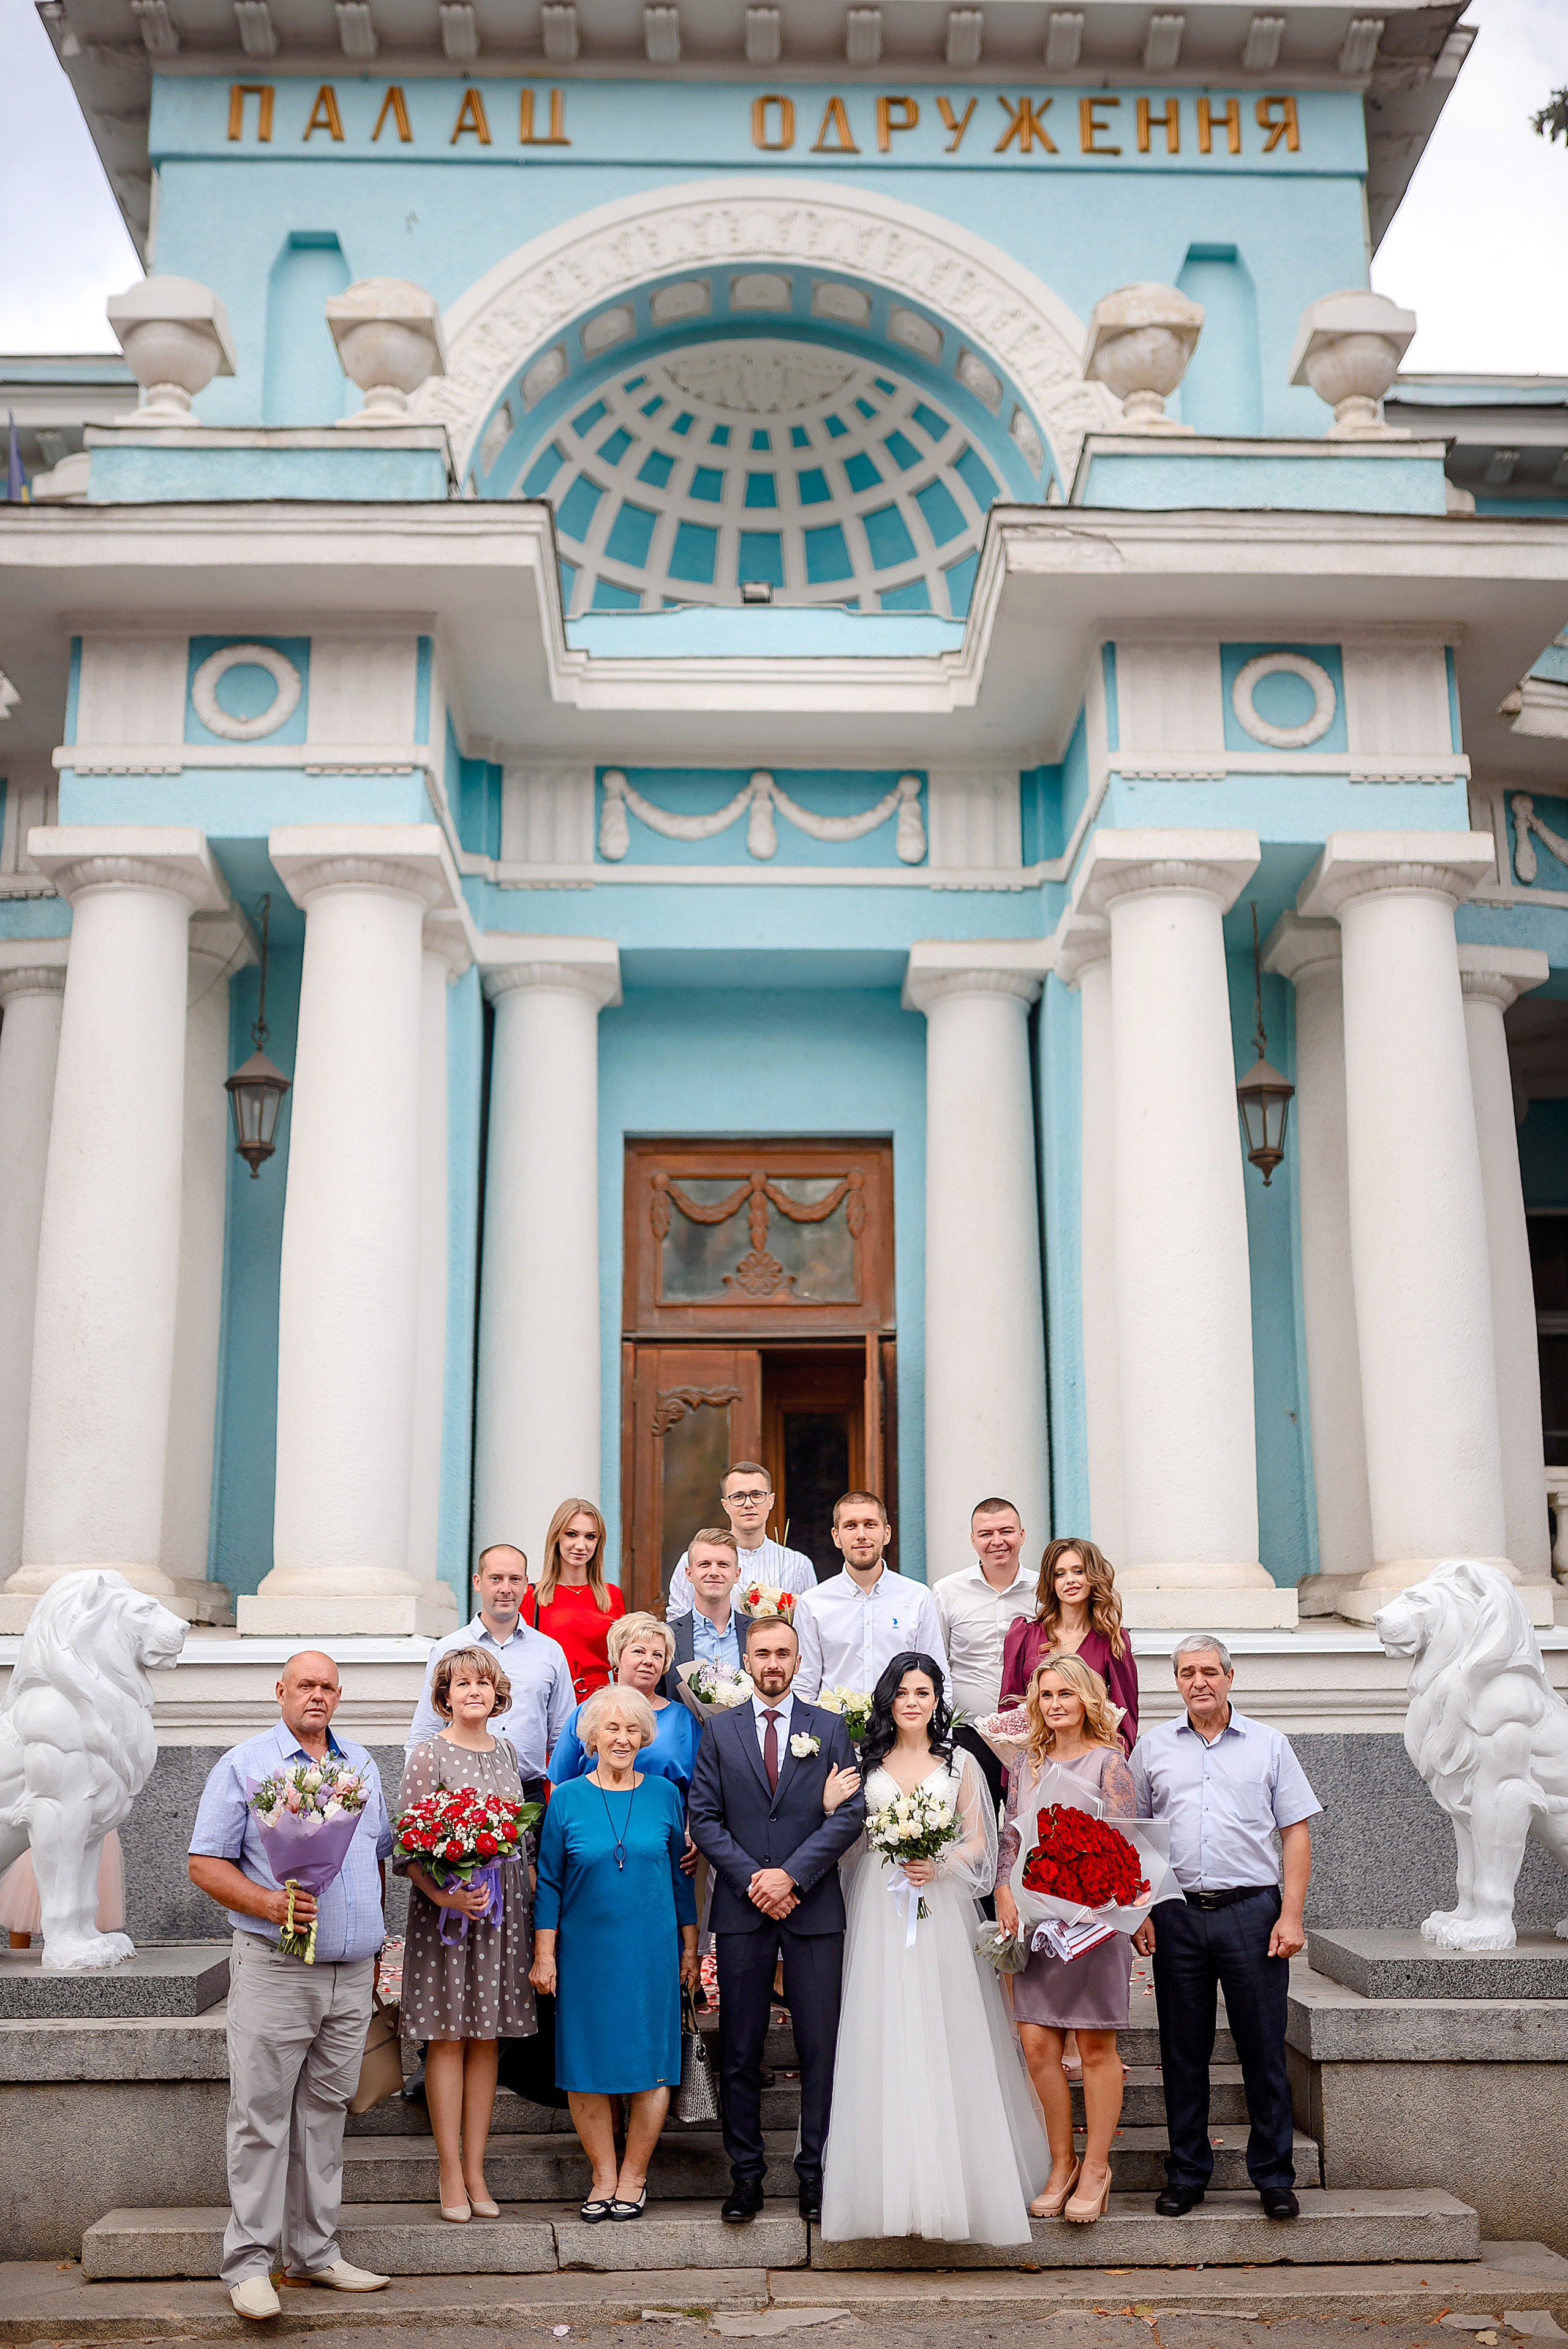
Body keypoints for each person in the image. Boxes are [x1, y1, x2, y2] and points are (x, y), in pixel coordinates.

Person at [187, 1652, 393, 2321]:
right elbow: (204, 1861)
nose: (317, 1695)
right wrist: (269, 1904)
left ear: (340, 1696)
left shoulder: (360, 1764)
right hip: (278, 1968)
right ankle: (250, 2264)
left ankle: (315, 2253)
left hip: (350, 1973)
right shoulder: (246, 1765)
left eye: (328, 1686)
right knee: (261, 2119)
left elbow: (376, 1856)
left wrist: (374, 1942)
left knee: (325, 2116)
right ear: (280, 1692)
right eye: (305, 1685)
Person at [822, 1651, 1050, 2245]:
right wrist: (828, 1809)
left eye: (923, 1692)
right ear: (888, 1701)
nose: (913, 1702)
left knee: (944, 2027)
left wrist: (937, 1859)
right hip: (878, 1903)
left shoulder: (960, 1763)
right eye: (902, 1693)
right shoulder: (863, 1761)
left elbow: (980, 1840)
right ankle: (885, 2189)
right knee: (883, 2027)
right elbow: (845, 1843)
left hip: (938, 1903)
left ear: (936, 1700)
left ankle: (958, 2187)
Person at [1131, 1633, 1321, 2220]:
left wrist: (1291, 1915)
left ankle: (1274, 2177)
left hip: (1253, 1914)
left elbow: (1295, 1833)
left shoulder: (1269, 1745)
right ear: (1177, 1681)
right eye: (1188, 1673)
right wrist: (1140, 1908)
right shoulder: (1153, 1747)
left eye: (1210, 1671)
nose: (1199, 1682)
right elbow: (1136, 1833)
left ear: (1230, 1677)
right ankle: (1187, 2174)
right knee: (1182, 2051)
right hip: (1178, 1914)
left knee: (1263, 2049)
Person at [687, 1613, 864, 2223]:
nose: (772, 1663)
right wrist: (755, 1880)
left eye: (782, 1653)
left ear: (796, 1659)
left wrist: (791, 1875)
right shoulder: (720, 1732)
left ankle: (816, 2173)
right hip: (742, 1909)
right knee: (739, 2050)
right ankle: (746, 2176)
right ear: (747, 1659)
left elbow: (850, 1814)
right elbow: (704, 1818)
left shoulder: (830, 1728)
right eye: (762, 1653)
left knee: (821, 2047)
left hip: (812, 1906)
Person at [530, 1684, 698, 2221]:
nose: (622, 1739)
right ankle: (603, 2173)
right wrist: (545, 1954)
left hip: (652, 1950)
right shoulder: (567, 1799)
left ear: (645, 1736)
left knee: (652, 2064)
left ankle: (634, 2175)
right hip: (585, 1955)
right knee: (586, 2065)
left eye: (632, 1729)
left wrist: (691, 1949)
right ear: (592, 1736)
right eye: (612, 1728)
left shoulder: (667, 1796)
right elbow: (549, 1884)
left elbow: (679, 1881)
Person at [995, 1654, 1137, 2225]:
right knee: (1037, 2046)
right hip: (1036, 1924)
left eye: (1067, 1695)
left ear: (1087, 1700)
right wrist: (1006, 1893)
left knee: (1096, 2046)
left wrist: (1092, 1903)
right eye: (1047, 1695)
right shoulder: (1024, 1765)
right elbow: (1011, 1840)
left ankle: (1098, 2167)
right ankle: (1062, 2162)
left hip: (1095, 1924)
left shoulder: (1111, 1763)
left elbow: (1128, 1845)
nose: (1055, 1705)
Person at [397, 1646, 537, 2223]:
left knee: (487, 2040)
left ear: (497, 1691)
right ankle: (449, 2171)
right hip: (447, 1919)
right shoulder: (428, 1754)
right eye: (461, 1684)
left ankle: (477, 2169)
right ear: (445, 1696)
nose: (474, 1691)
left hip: (503, 1917)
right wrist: (444, 1894)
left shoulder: (507, 1751)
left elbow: (518, 1840)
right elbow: (406, 1844)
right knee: (449, 2038)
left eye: (484, 1682)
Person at [407, 1543, 575, 1800]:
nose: (506, 1589)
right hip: (459, 1797)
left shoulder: (549, 1652)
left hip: (531, 1794)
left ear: (526, 1584)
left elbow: (563, 1737)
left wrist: (567, 1798)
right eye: (496, 1579)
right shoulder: (448, 1649)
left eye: (515, 1579)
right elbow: (424, 1730)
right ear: (478, 1582)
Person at [932, 1494, 1036, 1827]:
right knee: (975, 1831)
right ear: (973, 1540)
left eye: (1006, 1531)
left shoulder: (1045, 1589)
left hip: (1034, 1732)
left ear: (1022, 1534)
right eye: (986, 1534)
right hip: (970, 1732)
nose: (997, 1541)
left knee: (1033, 1827)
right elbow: (937, 1663)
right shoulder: (947, 1591)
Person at [793, 1491, 949, 1703]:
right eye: (850, 1526)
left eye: (870, 1524)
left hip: (902, 1730)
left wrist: (941, 1734)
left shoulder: (917, 1597)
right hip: (835, 1732)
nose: (861, 1535)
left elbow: (937, 1677)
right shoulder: (812, 1603)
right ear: (836, 1537)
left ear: (886, 1533)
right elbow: (804, 1683)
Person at [1001, 1538, 1140, 1755]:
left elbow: (1126, 1717)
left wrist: (1112, 1765)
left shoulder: (1112, 1642)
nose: (1070, 1580)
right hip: (1035, 1757)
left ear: (1093, 1577)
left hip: (1091, 1759)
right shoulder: (1024, 1635)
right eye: (1060, 1574)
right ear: (1051, 1581)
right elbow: (1008, 1709)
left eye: (1078, 1571)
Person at [548, 1611, 702, 1795]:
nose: (648, 1661)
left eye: (658, 1655)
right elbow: (560, 1784)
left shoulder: (683, 1719)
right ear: (617, 1656)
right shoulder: (586, 1713)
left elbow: (700, 1792)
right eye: (639, 1651)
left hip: (662, 1820)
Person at [666, 1462, 816, 1616]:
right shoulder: (694, 1561)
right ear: (725, 1505)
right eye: (738, 1497)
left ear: (771, 1501)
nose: (748, 1504)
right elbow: (678, 1620)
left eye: (757, 1495)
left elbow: (808, 1624)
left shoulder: (798, 1565)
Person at [521, 1499, 625, 1701]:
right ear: (557, 1537)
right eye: (572, 1534)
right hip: (552, 1698)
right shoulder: (532, 1597)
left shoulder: (612, 1595)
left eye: (590, 1537)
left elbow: (622, 1662)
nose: (581, 1545)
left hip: (601, 1702)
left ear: (598, 1542)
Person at [665, 1526, 749, 1690]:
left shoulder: (756, 1632)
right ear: (689, 1574)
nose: (714, 1572)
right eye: (704, 1564)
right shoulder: (667, 1636)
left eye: (723, 1565)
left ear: (737, 1574)